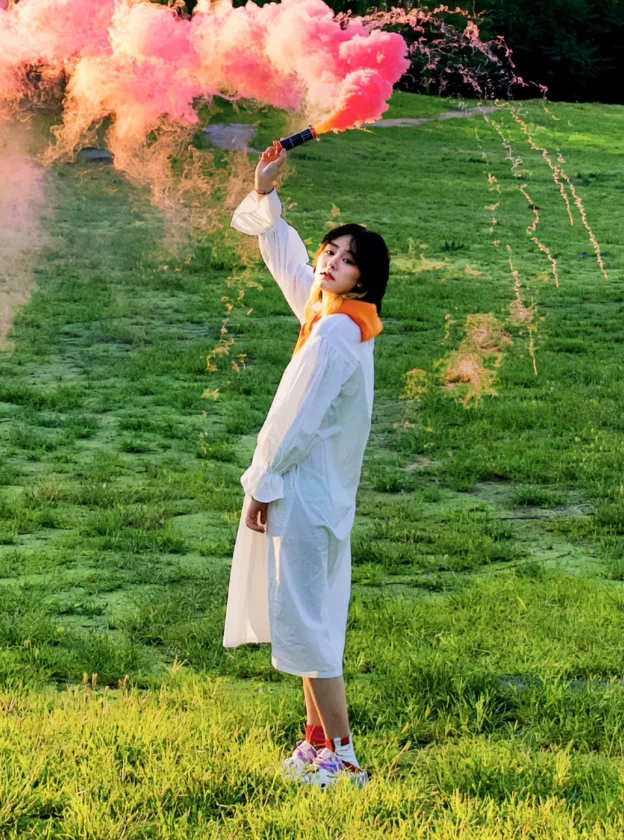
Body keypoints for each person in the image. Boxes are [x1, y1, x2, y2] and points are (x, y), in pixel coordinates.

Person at [223, 139, 390, 787]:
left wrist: (262, 483)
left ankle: (343, 758)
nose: (330, 262)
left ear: (363, 278)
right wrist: (264, 192)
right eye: (330, 250)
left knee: (311, 628)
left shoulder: (334, 334)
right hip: (315, 494)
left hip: (305, 494)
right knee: (300, 620)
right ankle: (315, 746)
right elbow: (290, 264)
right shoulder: (337, 316)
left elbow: (290, 420)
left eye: (346, 261)